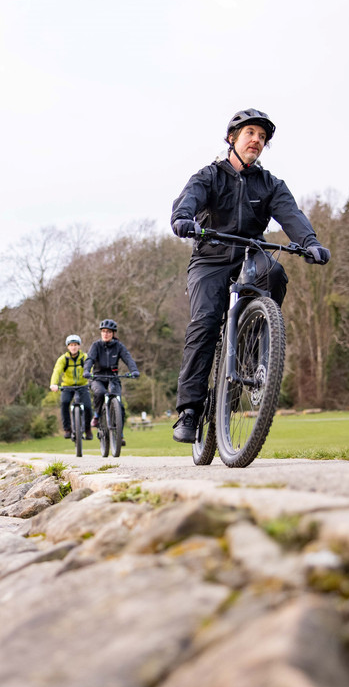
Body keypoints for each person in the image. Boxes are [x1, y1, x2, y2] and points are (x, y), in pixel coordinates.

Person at [169, 108, 331, 443]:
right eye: (250, 134)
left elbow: (291, 215)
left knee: (275, 272)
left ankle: (255, 350)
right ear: (233, 138)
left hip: (249, 254)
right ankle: (189, 411)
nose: (256, 140)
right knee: (204, 323)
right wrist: (184, 219)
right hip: (210, 258)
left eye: (262, 137)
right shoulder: (209, 176)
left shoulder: (270, 184)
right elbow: (188, 201)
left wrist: (310, 243)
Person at [83, 319, 139, 441]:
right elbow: (89, 359)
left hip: (113, 378)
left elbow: (128, 359)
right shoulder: (96, 346)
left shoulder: (118, 346)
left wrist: (134, 370)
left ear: (113, 333)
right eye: (103, 331)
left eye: (108, 332)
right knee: (100, 392)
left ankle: (120, 434)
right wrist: (86, 371)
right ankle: (97, 415)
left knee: (119, 403)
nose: (105, 334)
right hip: (97, 377)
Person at [49, 334, 93, 440]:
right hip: (67, 387)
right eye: (71, 345)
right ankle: (67, 429)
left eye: (76, 345)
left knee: (87, 407)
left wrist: (92, 380)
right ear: (68, 347)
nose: (73, 347)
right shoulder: (63, 359)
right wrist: (54, 384)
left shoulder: (85, 357)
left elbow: (91, 369)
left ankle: (88, 429)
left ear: (79, 346)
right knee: (64, 403)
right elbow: (57, 371)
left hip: (82, 385)